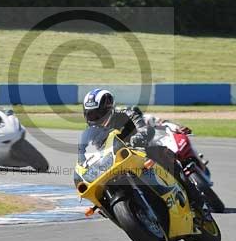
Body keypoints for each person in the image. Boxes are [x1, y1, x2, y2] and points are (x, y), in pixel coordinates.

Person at [79, 88, 207, 216]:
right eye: (91, 115)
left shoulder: (126, 113)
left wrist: (138, 137)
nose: (95, 118)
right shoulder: (92, 133)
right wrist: (83, 164)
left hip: (143, 152)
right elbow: (89, 152)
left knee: (165, 154)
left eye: (98, 114)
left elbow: (144, 128)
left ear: (109, 108)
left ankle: (195, 199)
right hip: (118, 163)